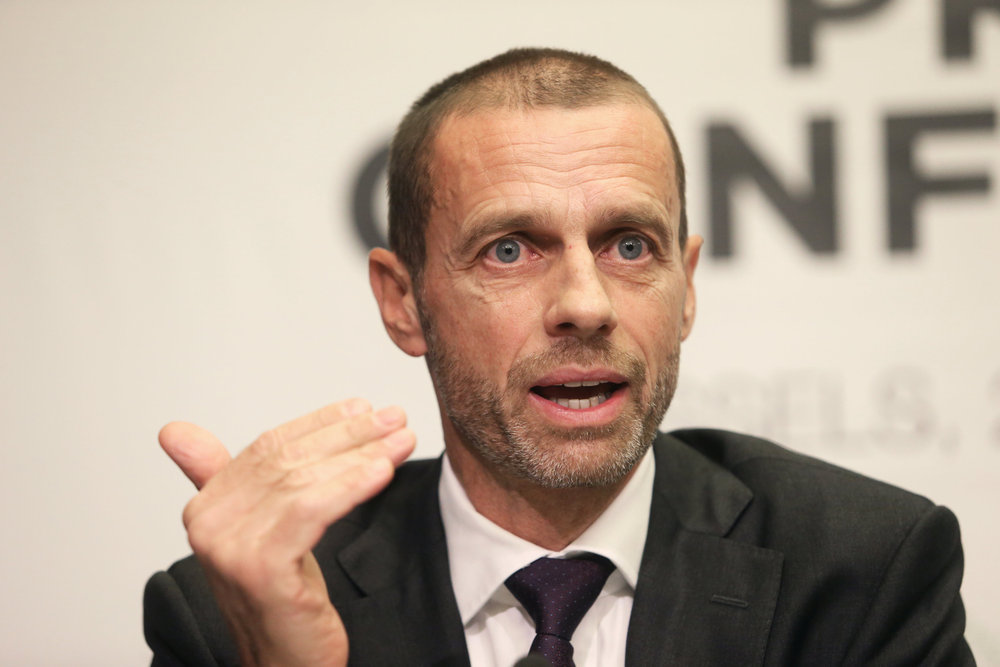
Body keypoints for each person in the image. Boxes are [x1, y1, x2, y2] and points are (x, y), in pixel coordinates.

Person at [144, 48, 974, 666]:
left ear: (684, 289)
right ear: (404, 301)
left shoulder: (866, 570)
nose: (586, 303)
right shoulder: (236, 615)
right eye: (510, 250)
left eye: (627, 244)